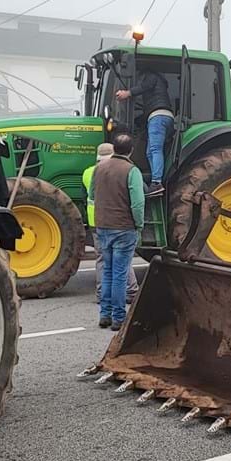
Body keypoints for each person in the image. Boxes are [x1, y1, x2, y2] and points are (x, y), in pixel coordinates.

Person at [89, 134, 145, 331]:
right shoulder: (132, 171)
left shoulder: (99, 169)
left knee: (108, 271)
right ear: (130, 151)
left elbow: (92, 195)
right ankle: (118, 318)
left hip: (102, 226)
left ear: (114, 148)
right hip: (124, 228)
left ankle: (105, 315)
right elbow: (138, 202)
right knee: (120, 274)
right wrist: (139, 224)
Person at [83, 142, 138, 305]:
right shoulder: (123, 170)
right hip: (117, 220)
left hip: (96, 222)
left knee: (102, 258)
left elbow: (87, 195)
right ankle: (131, 291)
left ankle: (102, 294)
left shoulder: (88, 172)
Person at [115, 68, 172, 194]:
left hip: (158, 117)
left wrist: (127, 93)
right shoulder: (161, 84)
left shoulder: (152, 75)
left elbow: (144, 86)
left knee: (155, 149)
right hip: (165, 116)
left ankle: (157, 182)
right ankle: (155, 178)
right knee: (149, 152)